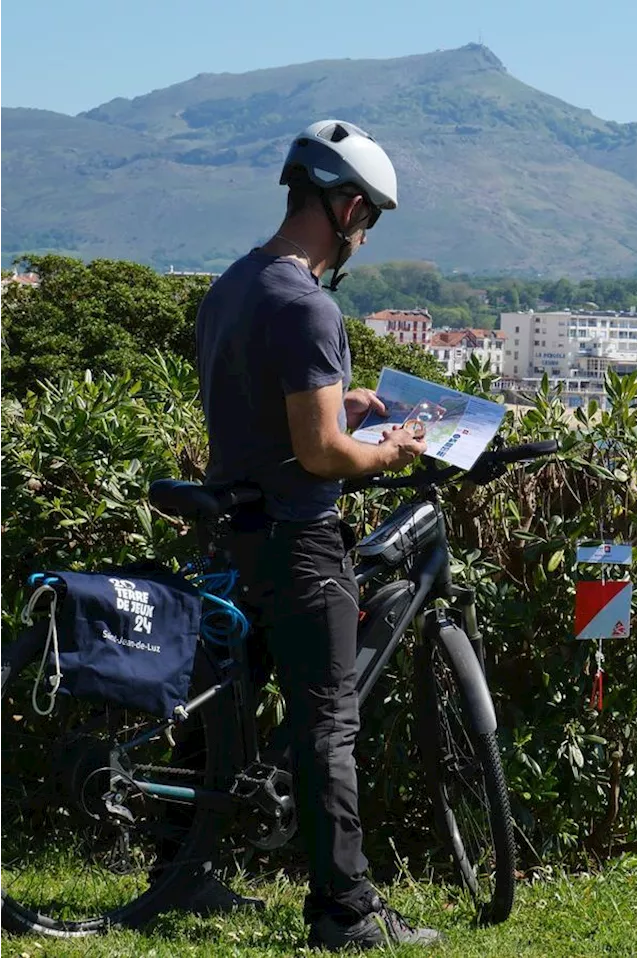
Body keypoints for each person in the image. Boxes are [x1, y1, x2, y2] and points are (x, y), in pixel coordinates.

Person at [190, 120, 440, 950]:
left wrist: (345, 399)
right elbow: (320, 453)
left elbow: (269, 412)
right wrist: (391, 445)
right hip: (298, 540)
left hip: (232, 532)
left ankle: (182, 871)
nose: (365, 235)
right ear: (348, 205)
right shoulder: (306, 304)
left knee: (221, 708)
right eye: (369, 220)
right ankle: (347, 914)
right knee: (328, 724)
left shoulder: (234, 285)